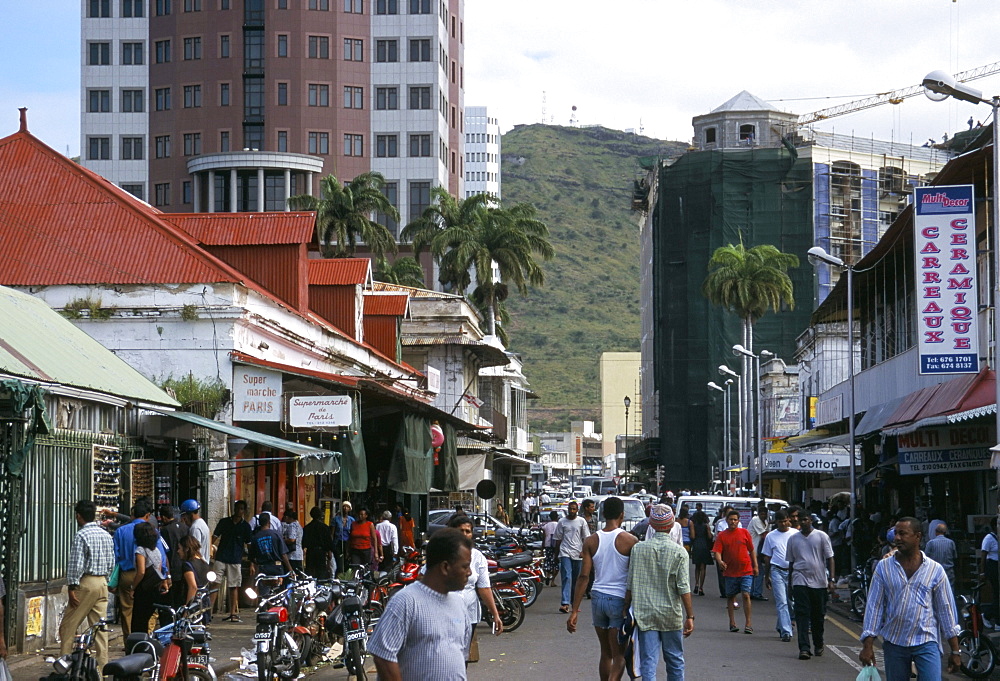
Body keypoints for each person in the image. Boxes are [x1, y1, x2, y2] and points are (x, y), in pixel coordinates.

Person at [860, 517, 962, 680]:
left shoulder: (935, 570)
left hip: (926, 641)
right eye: (895, 534)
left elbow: (946, 611)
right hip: (895, 642)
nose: (897, 538)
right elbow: (875, 607)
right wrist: (868, 644)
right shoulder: (884, 567)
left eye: (903, 533)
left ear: (918, 536)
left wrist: (955, 651)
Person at [368, 528, 473, 680]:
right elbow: (383, 656)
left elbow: (461, 655)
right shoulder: (406, 602)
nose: (469, 572)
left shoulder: (459, 604)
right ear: (445, 567)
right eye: (465, 566)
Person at [566, 496, 638, 681]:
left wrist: (574, 610)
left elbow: (584, 576)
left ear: (603, 514)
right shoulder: (631, 541)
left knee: (605, 653)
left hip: (598, 598)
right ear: (622, 515)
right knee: (619, 654)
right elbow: (634, 577)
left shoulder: (591, 541)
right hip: (619, 600)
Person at [624, 504, 695, 681]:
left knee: (648, 661)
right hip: (671, 614)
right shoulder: (680, 552)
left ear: (651, 525)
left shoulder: (638, 549)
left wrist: (625, 609)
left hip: (645, 613)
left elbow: (631, 584)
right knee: (675, 659)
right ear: (672, 524)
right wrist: (690, 616)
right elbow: (683, 587)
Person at [61, 499, 115, 671]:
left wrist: (72, 586)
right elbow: (111, 562)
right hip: (102, 583)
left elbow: (76, 564)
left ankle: (65, 664)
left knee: (68, 626)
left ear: (78, 516)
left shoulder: (81, 535)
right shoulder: (106, 534)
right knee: (100, 628)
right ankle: (102, 669)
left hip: (86, 582)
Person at [447, 515, 503, 663]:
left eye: (468, 531)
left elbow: (484, 587)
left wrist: (495, 615)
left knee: (462, 657)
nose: (464, 535)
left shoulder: (478, 557)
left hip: (469, 613)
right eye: (461, 531)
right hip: (444, 613)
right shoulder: (442, 553)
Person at [786, 510, 835, 660]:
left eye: (806, 519)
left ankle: (818, 644)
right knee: (802, 615)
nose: (803, 522)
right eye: (801, 520)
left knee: (817, 617)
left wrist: (831, 580)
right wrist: (790, 585)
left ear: (811, 520)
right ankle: (804, 648)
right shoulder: (793, 539)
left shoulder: (821, 536)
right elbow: (791, 563)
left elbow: (830, 558)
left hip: (819, 582)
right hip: (800, 580)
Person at [112, 497, 154, 636]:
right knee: (147, 608)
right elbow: (159, 553)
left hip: (127, 573)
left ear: (132, 515)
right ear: (147, 515)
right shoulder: (151, 530)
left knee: (126, 609)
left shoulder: (121, 531)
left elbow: (116, 555)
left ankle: (130, 641)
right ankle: (146, 638)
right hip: (146, 574)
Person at [711, 508, 757, 634]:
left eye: (735, 520)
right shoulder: (722, 536)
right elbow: (717, 552)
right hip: (730, 572)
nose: (733, 522)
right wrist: (720, 562)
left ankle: (748, 623)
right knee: (731, 596)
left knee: (746, 594)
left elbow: (752, 550)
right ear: (726, 520)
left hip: (746, 569)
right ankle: (732, 622)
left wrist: (755, 566)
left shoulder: (745, 533)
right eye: (730, 520)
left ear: (738, 521)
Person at [760, 509, 798, 642]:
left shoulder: (795, 534)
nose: (783, 524)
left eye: (785, 521)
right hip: (777, 570)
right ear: (776, 522)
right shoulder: (771, 536)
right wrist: (766, 576)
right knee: (781, 601)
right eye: (780, 521)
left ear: (789, 520)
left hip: (793, 572)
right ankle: (787, 631)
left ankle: (781, 625)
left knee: (791, 602)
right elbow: (767, 557)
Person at [211, 500, 251, 622]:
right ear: (234, 509)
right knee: (214, 584)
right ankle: (208, 611)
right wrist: (210, 550)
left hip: (235, 559)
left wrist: (251, 561)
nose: (239, 511)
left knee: (234, 586)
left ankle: (233, 613)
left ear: (244, 511)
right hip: (221, 557)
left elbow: (249, 544)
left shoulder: (245, 526)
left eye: (241, 509)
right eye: (237, 508)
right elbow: (214, 537)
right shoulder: (224, 522)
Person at [130, 521, 170, 636]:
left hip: (143, 589)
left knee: (138, 621)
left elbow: (141, 571)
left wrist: (133, 587)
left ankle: (138, 645)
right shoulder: (156, 551)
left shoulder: (140, 550)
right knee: (147, 618)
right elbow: (158, 568)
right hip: (154, 587)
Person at [555, 500, 591, 614]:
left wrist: (584, 552)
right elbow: (558, 539)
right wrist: (557, 554)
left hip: (578, 553)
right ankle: (565, 603)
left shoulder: (581, 521)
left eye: (574, 509)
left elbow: (586, 538)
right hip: (565, 552)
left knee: (576, 579)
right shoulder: (562, 522)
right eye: (570, 509)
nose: (571, 511)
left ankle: (574, 603)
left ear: (577, 510)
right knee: (567, 577)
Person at [157, 504, 189, 612]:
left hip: (172, 567)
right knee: (182, 597)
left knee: (171, 599)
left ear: (164, 517)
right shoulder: (185, 527)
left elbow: (165, 550)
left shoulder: (164, 530)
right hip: (185, 566)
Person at [249, 512, 293, 578]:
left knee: (264, 587)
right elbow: (283, 554)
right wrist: (290, 570)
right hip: (277, 567)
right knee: (278, 587)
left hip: (263, 569)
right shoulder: (276, 535)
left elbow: (252, 556)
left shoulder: (255, 537)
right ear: (269, 522)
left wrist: (252, 565)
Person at [176, 534, 211, 612]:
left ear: (187, 549)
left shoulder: (187, 565)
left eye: (179, 548)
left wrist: (187, 610)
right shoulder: (204, 563)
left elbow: (193, 587)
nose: (178, 551)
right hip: (203, 604)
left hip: (193, 606)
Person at [301, 506, 333, 579]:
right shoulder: (325, 527)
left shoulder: (307, 528)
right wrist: (329, 551)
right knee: (321, 571)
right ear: (320, 515)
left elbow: (304, 542)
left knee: (310, 571)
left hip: (311, 552)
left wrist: (304, 551)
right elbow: (328, 541)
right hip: (321, 552)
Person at [924, 523, 957, 592]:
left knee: (935, 590)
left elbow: (925, 559)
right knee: (949, 590)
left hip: (934, 571)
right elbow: (955, 557)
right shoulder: (951, 542)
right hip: (949, 571)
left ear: (936, 531)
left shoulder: (931, 543)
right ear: (945, 532)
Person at [689, 508, 713, 596]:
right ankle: (701, 587)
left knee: (697, 567)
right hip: (704, 546)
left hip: (696, 545)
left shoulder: (693, 525)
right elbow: (710, 537)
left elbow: (693, 536)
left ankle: (696, 583)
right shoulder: (706, 525)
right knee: (703, 568)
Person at [748, 504, 770, 601]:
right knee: (759, 572)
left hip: (758, 550)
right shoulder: (756, 520)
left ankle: (752, 592)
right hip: (753, 550)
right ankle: (756, 592)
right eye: (761, 514)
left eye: (765, 514)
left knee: (754, 571)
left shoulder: (764, 521)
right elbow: (764, 534)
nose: (763, 516)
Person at [180, 499, 211, 564]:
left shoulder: (195, 528)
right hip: (203, 563)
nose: (184, 518)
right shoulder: (202, 522)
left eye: (184, 515)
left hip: (198, 564)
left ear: (190, 514)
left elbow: (194, 549)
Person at [980, 517, 999, 625]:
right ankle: (991, 617)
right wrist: (982, 572)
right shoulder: (989, 538)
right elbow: (983, 556)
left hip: (998, 565)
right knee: (997, 593)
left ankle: (991, 615)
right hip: (992, 566)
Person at [581, 498, 599, 598]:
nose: (593, 509)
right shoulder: (580, 519)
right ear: (586, 508)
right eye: (591, 507)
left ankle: (589, 589)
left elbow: (596, 531)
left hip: (592, 546)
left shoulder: (595, 518)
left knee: (592, 570)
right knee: (583, 569)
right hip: (582, 546)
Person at [332, 501, 354, 575]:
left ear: (349, 509)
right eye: (344, 506)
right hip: (338, 542)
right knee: (339, 561)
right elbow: (332, 533)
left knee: (346, 560)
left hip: (347, 543)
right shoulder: (336, 519)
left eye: (347, 507)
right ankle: (339, 575)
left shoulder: (351, 520)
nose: (345, 508)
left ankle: (344, 576)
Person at [542, 511, 560, 587]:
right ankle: (552, 581)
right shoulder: (559, 525)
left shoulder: (546, 526)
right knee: (556, 563)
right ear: (557, 517)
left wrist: (542, 547)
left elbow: (544, 537)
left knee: (548, 562)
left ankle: (548, 576)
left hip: (548, 545)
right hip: (556, 546)